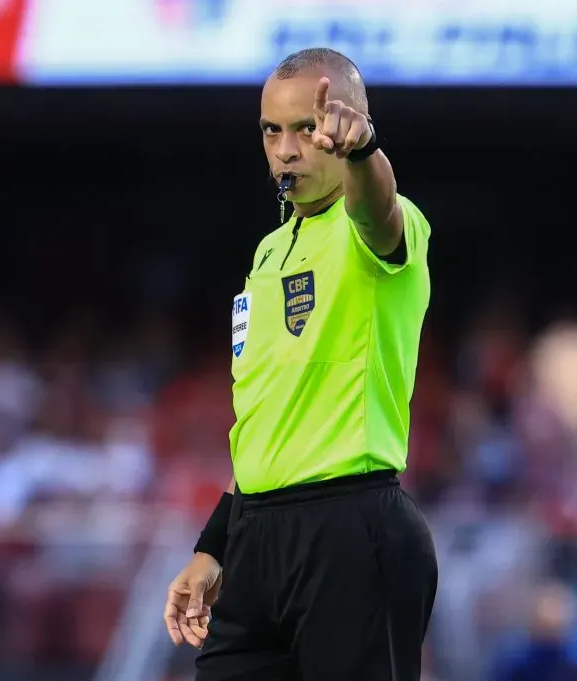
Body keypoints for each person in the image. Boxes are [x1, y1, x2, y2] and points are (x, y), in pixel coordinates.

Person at [163, 47, 438, 681]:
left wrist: (363, 151)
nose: (287, 150)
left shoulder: (373, 227)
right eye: (272, 130)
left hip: (352, 530)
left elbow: (378, 206)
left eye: (308, 129)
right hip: (259, 538)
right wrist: (215, 547)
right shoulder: (266, 254)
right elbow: (270, 423)